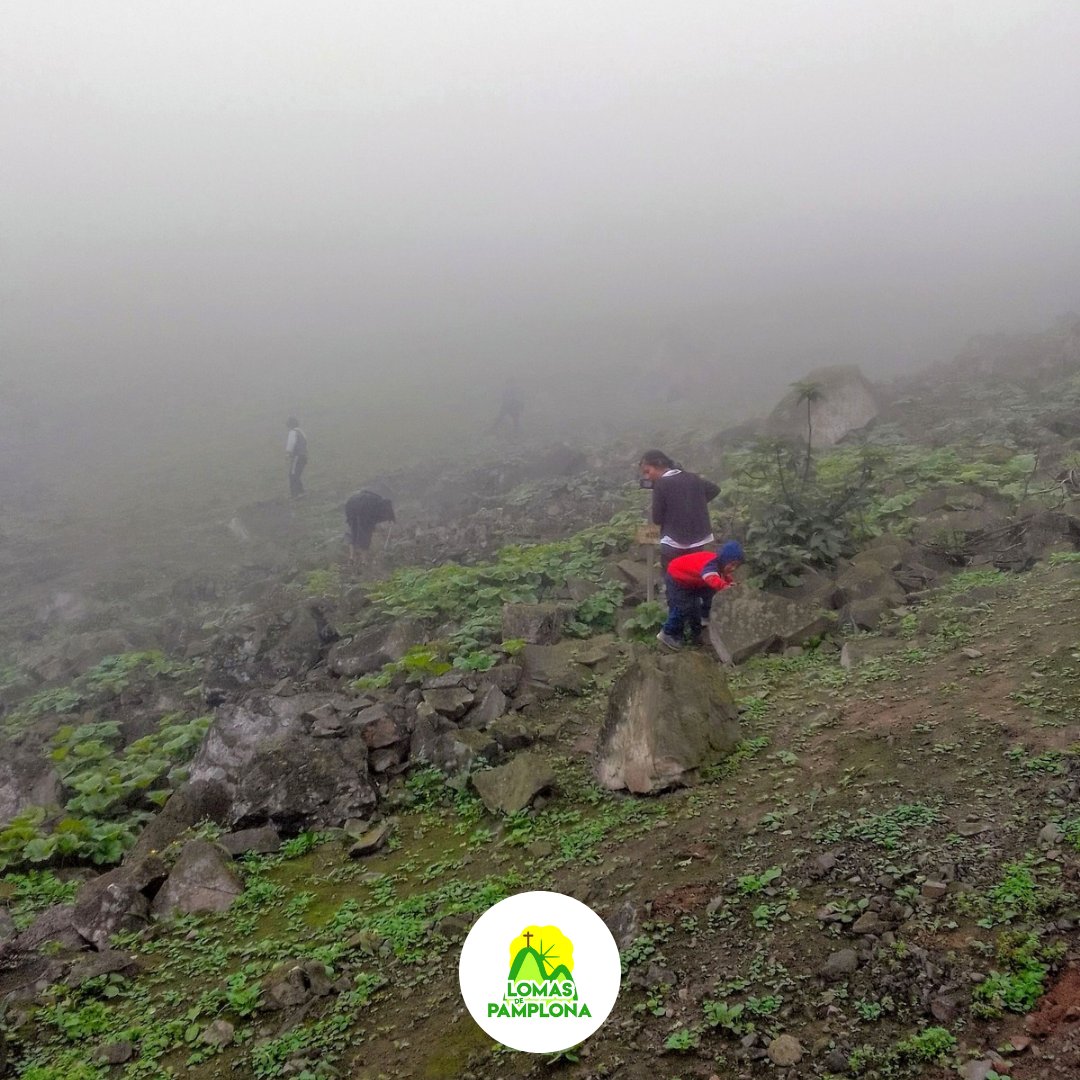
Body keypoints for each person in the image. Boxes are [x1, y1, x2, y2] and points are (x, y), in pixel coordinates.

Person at [639, 450, 721, 570]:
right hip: (698, 539)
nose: (647, 476)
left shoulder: (661, 484)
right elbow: (714, 489)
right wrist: (695, 505)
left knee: (673, 577)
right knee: (693, 575)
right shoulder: (692, 478)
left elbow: (657, 519)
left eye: (647, 471)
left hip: (672, 542)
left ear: (659, 465)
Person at [657, 541, 744, 650]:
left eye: (737, 565)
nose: (733, 568)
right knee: (683, 607)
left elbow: (723, 576)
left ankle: (701, 624)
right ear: (724, 559)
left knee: (706, 598)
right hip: (677, 577)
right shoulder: (711, 564)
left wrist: (729, 583)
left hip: (694, 580)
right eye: (732, 564)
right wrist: (725, 586)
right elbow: (710, 576)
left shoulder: (719, 565)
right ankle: (668, 633)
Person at [344, 488, 395, 564]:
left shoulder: (372, 498)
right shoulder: (381, 503)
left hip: (350, 505)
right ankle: (364, 561)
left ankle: (352, 557)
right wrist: (392, 519)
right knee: (365, 533)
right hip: (363, 507)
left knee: (353, 531)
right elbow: (370, 524)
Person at [285, 417, 308, 499]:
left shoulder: (293, 432)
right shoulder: (301, 432)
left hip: (297, 456)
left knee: (292, 474)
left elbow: (291, 444)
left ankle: (295, 494)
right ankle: (301, 491)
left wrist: (288, 453)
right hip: (304, 456)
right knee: (297, 474)